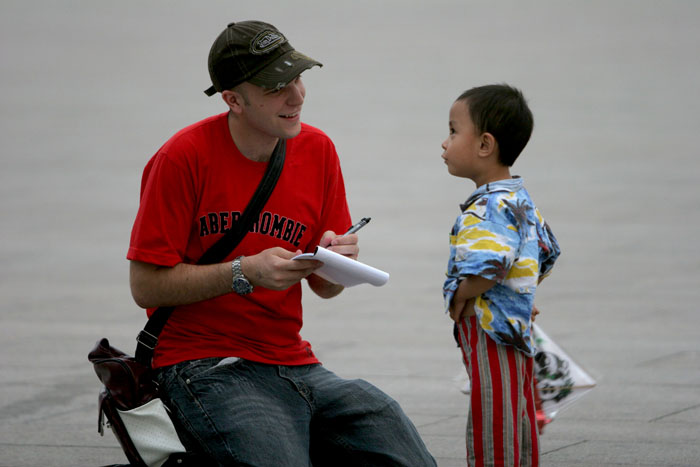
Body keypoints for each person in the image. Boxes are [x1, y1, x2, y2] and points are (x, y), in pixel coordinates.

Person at [127, 20, 436, 467]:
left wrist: (336, 261)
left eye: (297, 76)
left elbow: (325, 289)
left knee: (395, 438)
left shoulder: (318, 150)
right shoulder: (182, 157)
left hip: (296, 361)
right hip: (203, 365)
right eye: (276, 86)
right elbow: (145, 287)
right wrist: (243, 272)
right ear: (233, 99)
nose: (297, 95)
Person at [440, 84, 560, 466]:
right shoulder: (518, 199)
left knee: (493, 416)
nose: (445, 143)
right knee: (516, 411)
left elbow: (490, 266)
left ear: (485, 145)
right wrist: (523, 294)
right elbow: (546, 250)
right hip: (513, 325)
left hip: (490, 329)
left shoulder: (487, 206)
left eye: (454, 131)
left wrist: (460, 295)